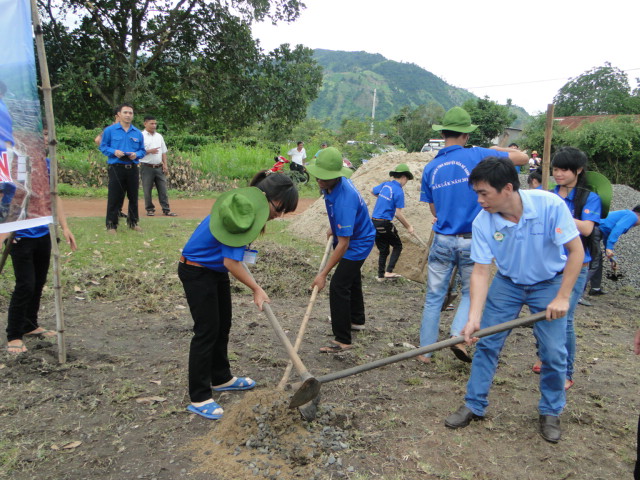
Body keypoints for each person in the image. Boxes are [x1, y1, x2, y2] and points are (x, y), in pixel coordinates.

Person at [444, 156, 584, 444]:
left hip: (548, 283)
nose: (480, 200)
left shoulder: (549, 206)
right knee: (486, 343)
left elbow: (576, 252)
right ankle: (474, 404)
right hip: (507, 284)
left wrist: (562, 297)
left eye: (484, 193)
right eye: (477, 193)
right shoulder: (483, 221)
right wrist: (473, 318)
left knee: (554, 352)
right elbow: (481, 271)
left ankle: (550, 411)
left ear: (507, 188)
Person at [179, 172, 298, 420]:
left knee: (223, 326)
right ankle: (199, 396)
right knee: (206, 332)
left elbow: (231, 261)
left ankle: (221, 378)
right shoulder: (241, 214)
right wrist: (256, 288)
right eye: (280, 208)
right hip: (197, 272)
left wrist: (256, 286)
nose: (280, 215)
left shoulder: (250, 209)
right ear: (269, 198)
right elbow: (232, 263)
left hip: (214, 271)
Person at [417, 106, 528, 364]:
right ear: (466, 136)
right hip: (473, 239)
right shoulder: (478, 155)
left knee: (434, 295)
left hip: (442, 239)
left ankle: (425, 351)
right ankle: (458, 337)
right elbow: (521, 158)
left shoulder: (431, 167)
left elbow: (433, 208)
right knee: (470, 292)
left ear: (443, 134)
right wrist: (497, 151)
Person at [531, 147, 601, 390]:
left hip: (577, 265)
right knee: (541, 314)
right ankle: (546, 356)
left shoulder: (588, 198)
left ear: (578, 170)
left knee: (565, 318)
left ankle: (566, 371)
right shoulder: (548, 194)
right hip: (549, 265)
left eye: (564, 169)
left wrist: (558, 211)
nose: (558, 174)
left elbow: (587, 229)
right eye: (556, 169)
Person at [5, 154, 78, 355]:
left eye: (46, 135)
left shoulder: (45, 163)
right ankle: (14, 335)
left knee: (38, 282)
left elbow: (54, 196)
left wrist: (64, 227)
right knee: (25, 284)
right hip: (18, 235)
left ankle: (30, 324)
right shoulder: (11, 161)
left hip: (42, 232)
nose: (43, 139)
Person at [307, 147, 375, 353]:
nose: (320, 180)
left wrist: (323, 274)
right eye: (318, 176)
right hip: (354, 235)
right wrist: (335, 225)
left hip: (358, 242)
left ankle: (343, 339)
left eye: (325, 178)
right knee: (352, 278)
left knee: (338, 285)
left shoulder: (345, 199)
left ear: (336, 176)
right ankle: (357, 320)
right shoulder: (334, 185)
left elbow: (344, 244)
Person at [99, 103, 146, 233]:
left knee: (133, 196)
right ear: (119, 114)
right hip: (116, 166)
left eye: (130, 113)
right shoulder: (110, 131)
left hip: (132, 167)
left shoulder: (137, 133)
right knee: (114, 197)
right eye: (125, 112)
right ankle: (111, 225)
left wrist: (136, 154)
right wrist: (114, 151)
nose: (128, 115)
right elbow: (103, 147)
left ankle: (133, 222)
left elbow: (142, 150)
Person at [371, 163, 414, 281]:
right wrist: (409, 226)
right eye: (407, 180)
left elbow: (373, 191)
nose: (406, 183)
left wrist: (384, 201)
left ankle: (381, 275)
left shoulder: (386, 185)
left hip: (374, 222)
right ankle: (389, 271)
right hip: (384, 223)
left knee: (384, 249)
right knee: (397, 245)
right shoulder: (399, 191)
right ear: (404, 177)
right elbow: (398, 213)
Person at [588, 205, 640, 295]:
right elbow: (617, 230)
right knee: (594, 262)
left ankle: (595, 288)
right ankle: (576, 292)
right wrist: (609, 248)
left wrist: (612, 259)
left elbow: (607, 237)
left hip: (595, 231)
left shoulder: (627, 214)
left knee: (597, 259)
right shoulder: (632, 216)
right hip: (593, 230)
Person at [140, 116, 176, 217]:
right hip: (146, 166)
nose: (154, 126)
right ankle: (150, 209)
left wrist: (165, 164)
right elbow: (137, 152)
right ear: (145, 124)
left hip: (159, 167)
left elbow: (163, 152)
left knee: (163, 189)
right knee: (147, 189)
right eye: (151, 123)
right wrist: (149, 151)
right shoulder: (141, 136)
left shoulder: (159, 136)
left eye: (155, 124)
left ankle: (166, 209)